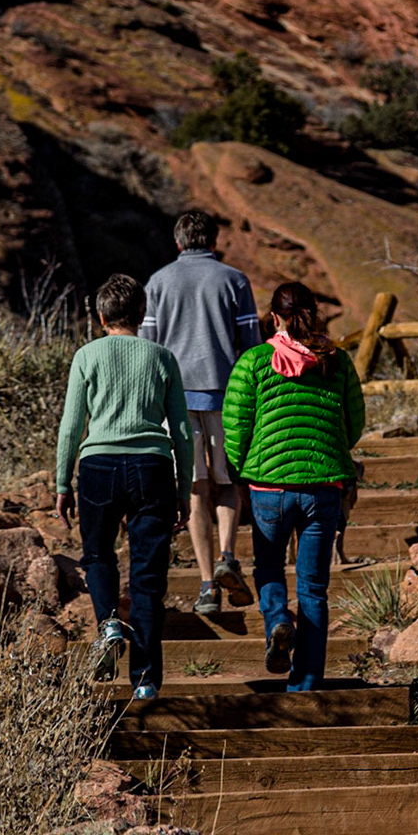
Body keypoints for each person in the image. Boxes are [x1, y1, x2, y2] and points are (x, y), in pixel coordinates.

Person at [55, 273, 194, 699]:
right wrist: (184, 490)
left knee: (97, 556)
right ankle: (147, 681)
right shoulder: (162, 357)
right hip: (152, 467)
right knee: (149, 576)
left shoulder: (87, 355)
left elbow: (71, 426)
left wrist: (62, 481)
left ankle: (109, 622)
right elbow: (183, 431)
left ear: (100, 316)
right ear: (142, 314)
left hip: (98, 466)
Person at [222, 282, 366, 690]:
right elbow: (354, 423)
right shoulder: (338, 362)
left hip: (269, 489)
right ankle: (305, 682)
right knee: (314, 588)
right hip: (323, 487)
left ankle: (278, 621)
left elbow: (235, 427)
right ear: (314, 314)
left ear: (275, 318)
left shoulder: (253, 362)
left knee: (268, 568)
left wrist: (244, 468)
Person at [140, 209, 261, 616]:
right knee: (228, 484)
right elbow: (252, 345)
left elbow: (148, 347)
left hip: (176, 401)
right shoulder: (234, 280)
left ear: (177, 243)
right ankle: (229, 554)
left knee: (195, 490)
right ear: (214, 241)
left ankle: (207, 585)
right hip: (226, 397)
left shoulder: (158, 282)